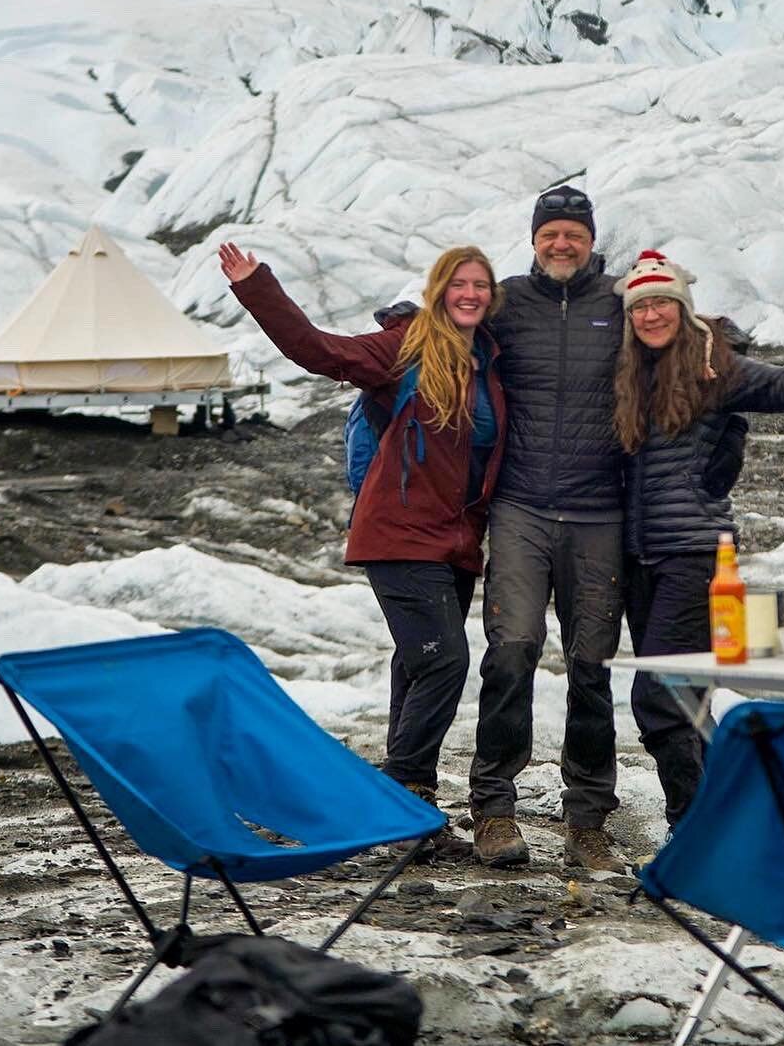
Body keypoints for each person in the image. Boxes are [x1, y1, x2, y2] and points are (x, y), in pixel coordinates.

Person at [219, 241, 507, 850]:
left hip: (454, 543)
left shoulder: (489, 360)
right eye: (459, 283)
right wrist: (257, 287)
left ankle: (399, 809)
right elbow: (319, 351)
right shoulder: (404, 348)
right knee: (445, 660)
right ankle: (404, 799)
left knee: (417, 663)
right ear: (438, 291)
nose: (471, 294)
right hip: (398, 533)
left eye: (481, 285)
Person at [613, 249, 784, 828]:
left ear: (684, 308)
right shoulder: (624, 373)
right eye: (641, 306)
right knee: (690, 697)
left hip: (695, 551)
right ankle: (727, 820)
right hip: (635, 556)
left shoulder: (713, 369)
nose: (652, 315)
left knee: (662, 695)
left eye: (662, 303)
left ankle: (693, 828)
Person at [468, 186, 630, 873]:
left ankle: (587, 819)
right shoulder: (505, 303)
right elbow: (440, 336)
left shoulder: (621, 303)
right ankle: (494, 810)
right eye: (549, 234)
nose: (561, 244)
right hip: (521, 508)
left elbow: (682, 340)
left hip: (600, 512)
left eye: (573, 234)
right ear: (533, 239)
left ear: (590, 241)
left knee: (590, 666)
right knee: (512, 649)